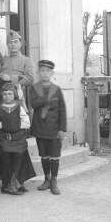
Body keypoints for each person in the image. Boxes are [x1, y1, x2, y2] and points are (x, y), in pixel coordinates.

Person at [30, 60, 67, 195]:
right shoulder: (34, 88)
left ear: (52, 73)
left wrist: (62, 129)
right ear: (39, 72)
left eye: (47, 71)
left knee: (55, 156)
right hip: (40, 128)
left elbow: (62, 111)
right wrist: (46, 98)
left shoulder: (56, 89)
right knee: (44, 156)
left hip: (54, 128)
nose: (45, 73)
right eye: (42, 70)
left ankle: (54, 181)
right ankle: (47, 179)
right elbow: (33, 104)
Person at [0, 83, 31, 195]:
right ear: (2, 95)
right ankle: (6, 185)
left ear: (14, 95)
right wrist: (6, 125)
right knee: (6, 158)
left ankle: (13, 183)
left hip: (18, 138)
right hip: (5, 138)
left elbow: (27, 123)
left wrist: (14, 125)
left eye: (10, 94)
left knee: (19, 155)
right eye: (5, 94)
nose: (7, 96)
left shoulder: (19, 108)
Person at [0, 30, 34, 106]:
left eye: (15, 42)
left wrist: (10, 78)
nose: (13, 44)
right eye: (10, 42)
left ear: (20, 44)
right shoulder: (2, 60)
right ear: (7, 44)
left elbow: (30, 79)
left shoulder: (27, 60)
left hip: (16, 99)